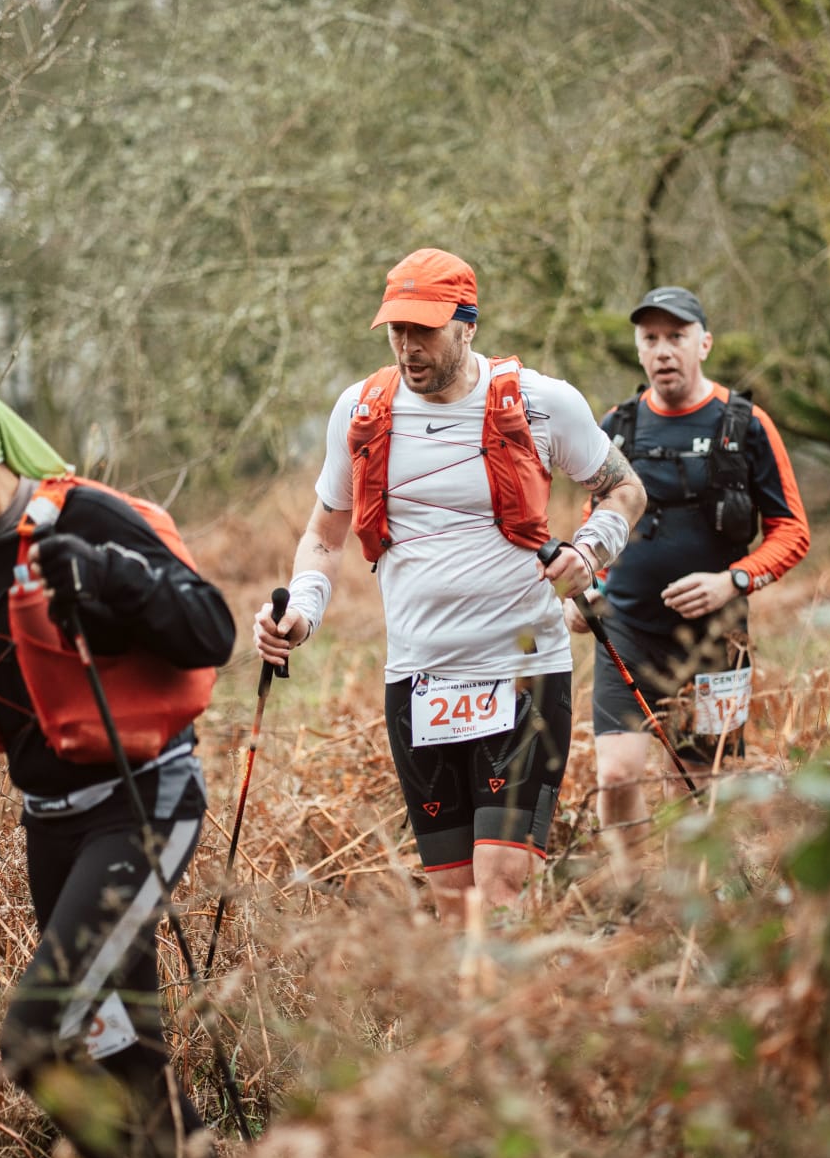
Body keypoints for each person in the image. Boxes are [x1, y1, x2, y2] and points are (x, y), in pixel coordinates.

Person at [254, 247, 646, 927]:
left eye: (425, 330)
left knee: (501, 892)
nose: (409, 346)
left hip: (522, 670)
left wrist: (589, 552)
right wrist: (302, 614)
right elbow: (324, 535)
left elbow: (624, 490)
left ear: (468, 325)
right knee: (455, 906)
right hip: (418, 681)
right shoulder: (361, 412)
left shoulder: (542, 404)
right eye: (397, 329)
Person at [0, 372, 236, 1158]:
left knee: (37, 1037)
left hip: (143, 803)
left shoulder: (87, 518)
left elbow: (211, 629)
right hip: (51, 824)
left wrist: (105, 574)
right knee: (120, 1043)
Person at [565, 285, 810, 859]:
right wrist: (588, 588)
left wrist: (734, 580)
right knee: (617, 776)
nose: (663, 350)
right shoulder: (616, 425)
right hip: (625, 632)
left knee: (698, 785)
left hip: (715, 640)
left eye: (676, 336)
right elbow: (594, 522)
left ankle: (692, 897)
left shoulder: (746, 424)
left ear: (704, 343)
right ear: (638, 348)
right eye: (650, 338)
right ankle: (629, 894)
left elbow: (792, 531)